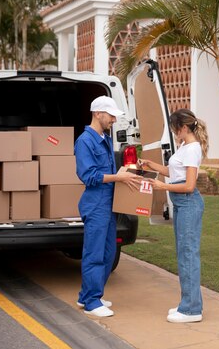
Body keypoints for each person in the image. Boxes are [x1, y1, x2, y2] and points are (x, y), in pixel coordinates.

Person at [137, 109, 209, 323]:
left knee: (188, 256)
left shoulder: (192, 149)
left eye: (174, 129)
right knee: (184, 254)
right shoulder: (185, 146)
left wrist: (161, 186)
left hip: (188, 204)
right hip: (181, 205)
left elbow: (189, 185)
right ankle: (190, 303)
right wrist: (150, 165)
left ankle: (191, 310)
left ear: (183, 128)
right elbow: (172, 171)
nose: (174, 133)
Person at [75, 95, 141, 317]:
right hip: (96, 204)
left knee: (108, 252)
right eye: (111, 115)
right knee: (94, 253)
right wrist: (118, 177)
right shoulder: (85, 141)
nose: (114, 119)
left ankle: (88, 296)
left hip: (108, 203)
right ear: (97, 113)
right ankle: (93, 301)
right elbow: (89, 176)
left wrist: (122, 174)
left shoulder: (104, 137)